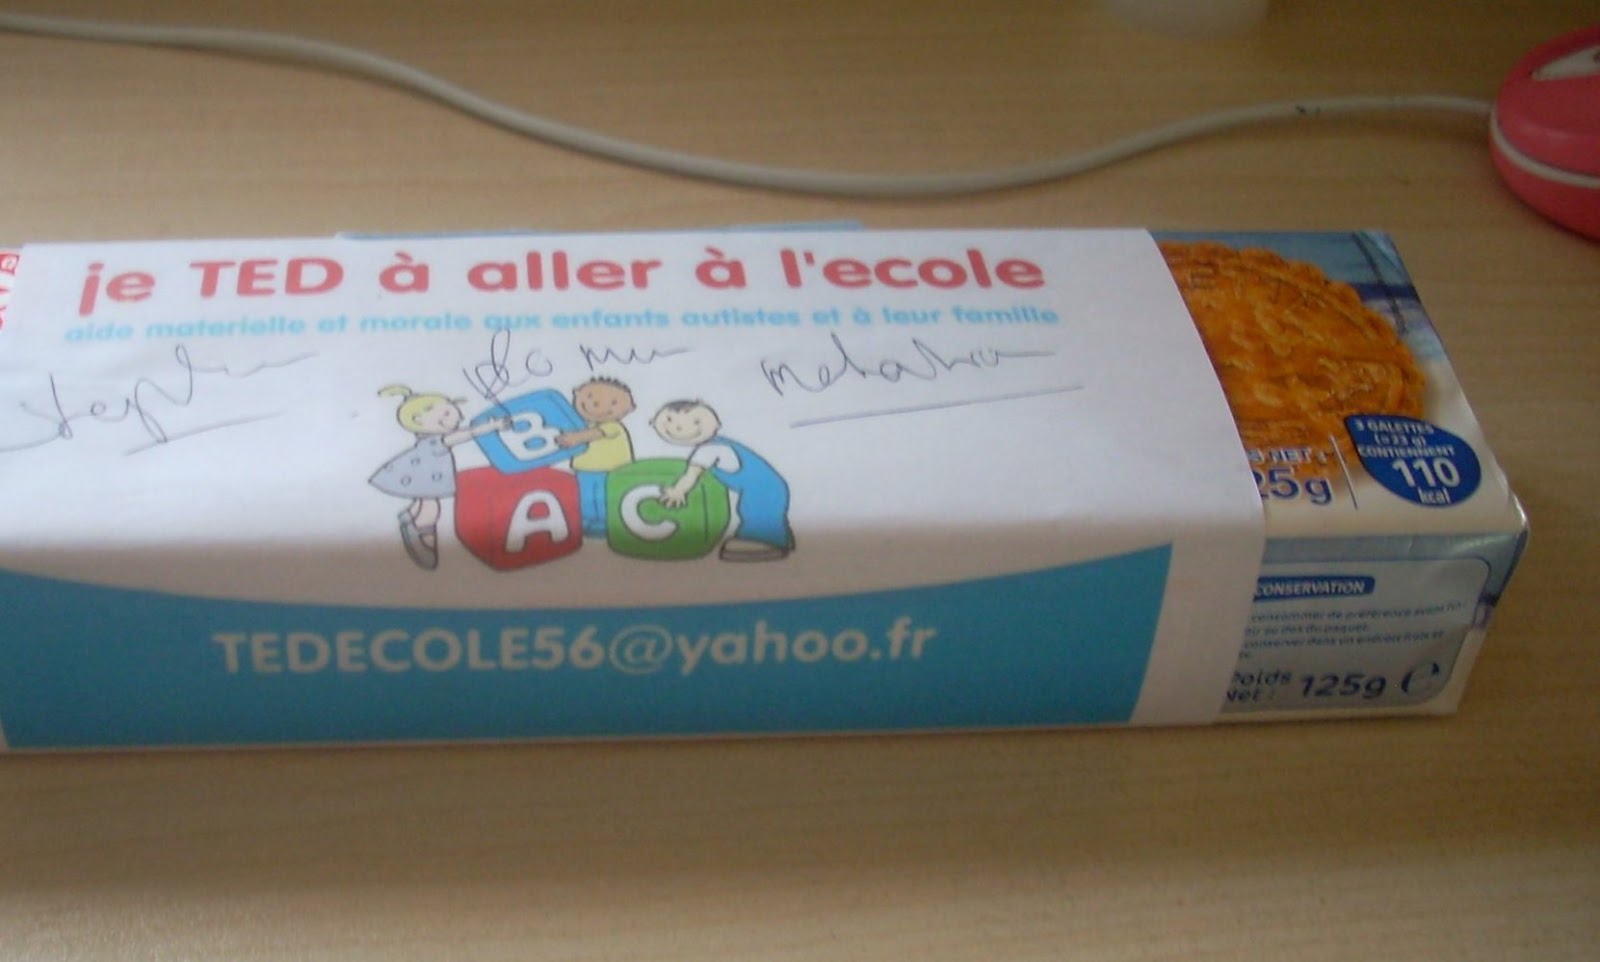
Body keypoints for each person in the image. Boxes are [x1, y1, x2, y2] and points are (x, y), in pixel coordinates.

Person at [370, 384, 510, 570]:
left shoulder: (426, 439)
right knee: (431, 506)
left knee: (422, 498)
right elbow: (468, 433)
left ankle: (409, 517)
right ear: (418, 420)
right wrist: (493, 426)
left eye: (450, 412)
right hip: (427, 475)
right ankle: (421, 532)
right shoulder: (438, 440)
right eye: (444, 414)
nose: (453, 417)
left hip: (419, 472)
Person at [653, 399, 793, 561]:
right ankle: (781, 539)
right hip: (767, 486)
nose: (680, 428)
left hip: (764, 488)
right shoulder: (715, 444)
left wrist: (679, 490)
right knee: (760, 511)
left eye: (696, 422)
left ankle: (768, 543)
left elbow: (692, 475)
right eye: (669, 420)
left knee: (754, 512)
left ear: (716, 424)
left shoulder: (711, 449)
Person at [555, 377, 636, 536]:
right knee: (586, 497)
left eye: (613, 403)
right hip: (584, 470)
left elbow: (595, 434)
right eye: (590, 397)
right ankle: (586, 520)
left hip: (611, 471)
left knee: (605, 498)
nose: (598, 405)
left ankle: (606, 522)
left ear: (630, 407)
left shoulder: (613, 426)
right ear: (577, 394)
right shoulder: (582, 426)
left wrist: (575, 438)